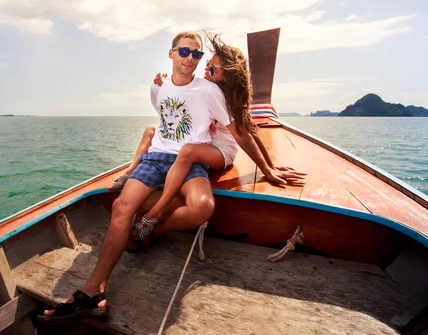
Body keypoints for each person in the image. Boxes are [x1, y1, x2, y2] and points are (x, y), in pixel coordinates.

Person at [40, 30, 299, 323]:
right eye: (185, 52)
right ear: (171, 53)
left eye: (197, 54)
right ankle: (93, 290)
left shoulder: (210, 91)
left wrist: (267, 170)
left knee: (203, 207)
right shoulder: (159, 87)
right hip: (157, 158)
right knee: (121, 207)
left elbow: (240, 131)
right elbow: (164, 120)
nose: (192, 58)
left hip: (190, 161)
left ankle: (151, 228)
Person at [112, 32, 305, 242]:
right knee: (152, 129)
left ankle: (155, 218)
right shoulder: (204, 89)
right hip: (203, 142)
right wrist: (165, 80)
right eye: (206, 64)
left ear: (226, 76)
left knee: (188, 151)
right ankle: (130, 172)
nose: (204, 69)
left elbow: (246, 134)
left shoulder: (226, 98)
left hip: (220, 149)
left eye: (211, 69)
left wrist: (268, 168)